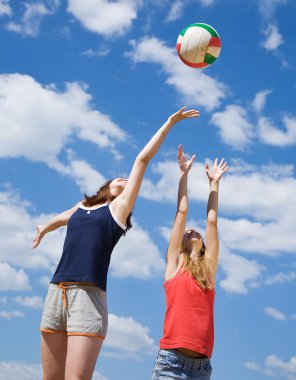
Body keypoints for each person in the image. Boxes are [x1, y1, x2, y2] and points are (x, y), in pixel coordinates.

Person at [32, 107, 199, 380]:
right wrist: (44, 228)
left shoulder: (118, 211)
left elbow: (142, 160)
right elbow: (62, 218)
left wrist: (170, 122)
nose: (123, 178)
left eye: (126, 179)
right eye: (117, 178)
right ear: (105, 186)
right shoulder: (82, 207)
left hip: (87, 297)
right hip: (55, 291)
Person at [152, 145, 229, 380]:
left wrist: (214, 184)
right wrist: (183, 175)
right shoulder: (175, 264)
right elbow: (182, 211)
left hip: (202, 369)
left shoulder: (208, 269)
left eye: (195, 231)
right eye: (186, 232)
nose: (192, 230)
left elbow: (212, 222)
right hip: (170, 364)